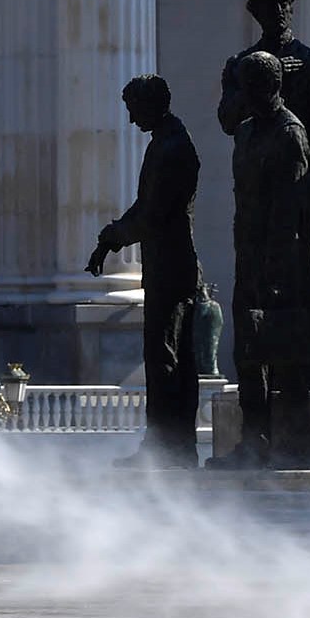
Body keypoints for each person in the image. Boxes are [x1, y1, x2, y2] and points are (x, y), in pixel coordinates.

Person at [218, 0, 310, 390]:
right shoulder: (240, 65)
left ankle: (307, 380)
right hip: (255, 194)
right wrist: (254, 83)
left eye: (284, 2)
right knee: (250, 296)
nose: (278, 11)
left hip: (296, 192)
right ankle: (258, 398)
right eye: (268, 4)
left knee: (300, 291)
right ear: (257, 13)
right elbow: (227, 121)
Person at [207, 52, 310, 469]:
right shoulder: (247, 132)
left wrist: (275, 269)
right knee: (249, 352)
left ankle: (291, 442)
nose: (242, 97)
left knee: (285, 352)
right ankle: (253, 443)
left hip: (280, 261)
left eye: (247, 88)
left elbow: (290, 210)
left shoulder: (291, 133)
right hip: (248, 254)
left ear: (266, 87)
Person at [87, 74, 202, 467]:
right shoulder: (164, 143)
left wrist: (115, 235)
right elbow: (145, 206)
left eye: (134, 110)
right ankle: (169, 446)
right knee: (165, 356)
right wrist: (110, 238)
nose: (132, 120)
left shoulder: (172, 148)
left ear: (152, 104)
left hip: (172, 266)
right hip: (165, 264)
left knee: (166, 357)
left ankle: (169, 448)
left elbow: (153, 215)